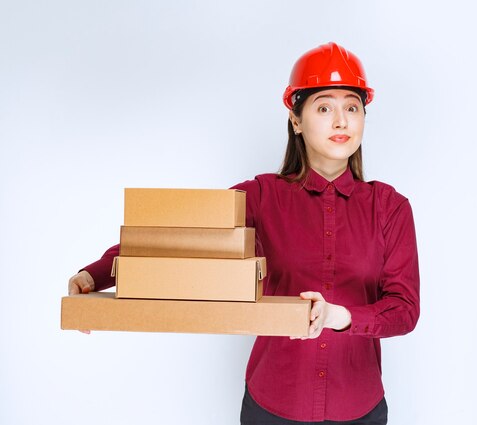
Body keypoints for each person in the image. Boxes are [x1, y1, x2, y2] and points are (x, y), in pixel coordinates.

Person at [68, 41, 420, 425]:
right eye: (324, 107)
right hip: (274, 405)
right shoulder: (261, 196)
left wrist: (342, 317)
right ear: (296, 120)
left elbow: (404, 310)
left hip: (359, 407)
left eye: (352, 107)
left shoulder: (390, 207)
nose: (341, 121)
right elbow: (178, 240)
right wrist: (95, 275)